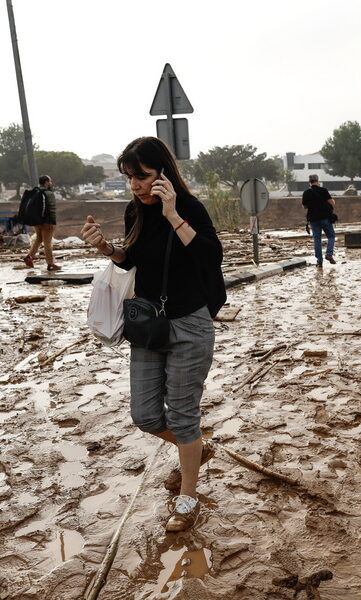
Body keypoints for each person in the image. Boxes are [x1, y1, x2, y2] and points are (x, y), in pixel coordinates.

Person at [79, 136, 226, 532]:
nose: (135, 186)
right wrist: (108, 249)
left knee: (182, 415)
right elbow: (134, 261)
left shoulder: (189, 207)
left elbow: (211, 258)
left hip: (190, 324)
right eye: (129, 178)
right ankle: (195, 448)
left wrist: (173, 213)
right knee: (144, 415)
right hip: (148, 323)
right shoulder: (134, 212)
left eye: (141, 177)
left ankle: (187, 499)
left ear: (163, 173)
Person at [22, 175, 60, 271]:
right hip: (46, 222)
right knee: (47, 243)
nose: (51, 183)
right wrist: (52, 222)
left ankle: (29, 257)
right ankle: (50, 264)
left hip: (36, 221)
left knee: (39, 239)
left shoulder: (35, 192)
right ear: (46, 182)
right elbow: (51, 209)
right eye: (50, 181)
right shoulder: (48, 193)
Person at [302, 174, 336, 266]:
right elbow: (332, 203)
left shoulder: (306, 193)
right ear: (318, 181)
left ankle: (319, 261)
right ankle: (329, 254)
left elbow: (305, 207)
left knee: (317, 239)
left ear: (309, 182)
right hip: (325, 218)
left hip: (313, 219)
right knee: (331, 236)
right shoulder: (323, 190)